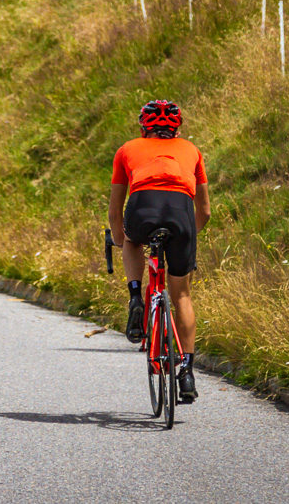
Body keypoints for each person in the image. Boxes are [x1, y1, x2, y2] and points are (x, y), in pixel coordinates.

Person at [108, 99, 210, 402]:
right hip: (181, 214)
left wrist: (118, 237)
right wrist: (188, 235)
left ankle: (136, 296)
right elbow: (203, 210)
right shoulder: (192, 151)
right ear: (177, 127)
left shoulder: (127, 150)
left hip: (142, 208)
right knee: (181, 296)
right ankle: (187, 370)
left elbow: (116, 209)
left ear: (143, 127)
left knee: (131, 239)